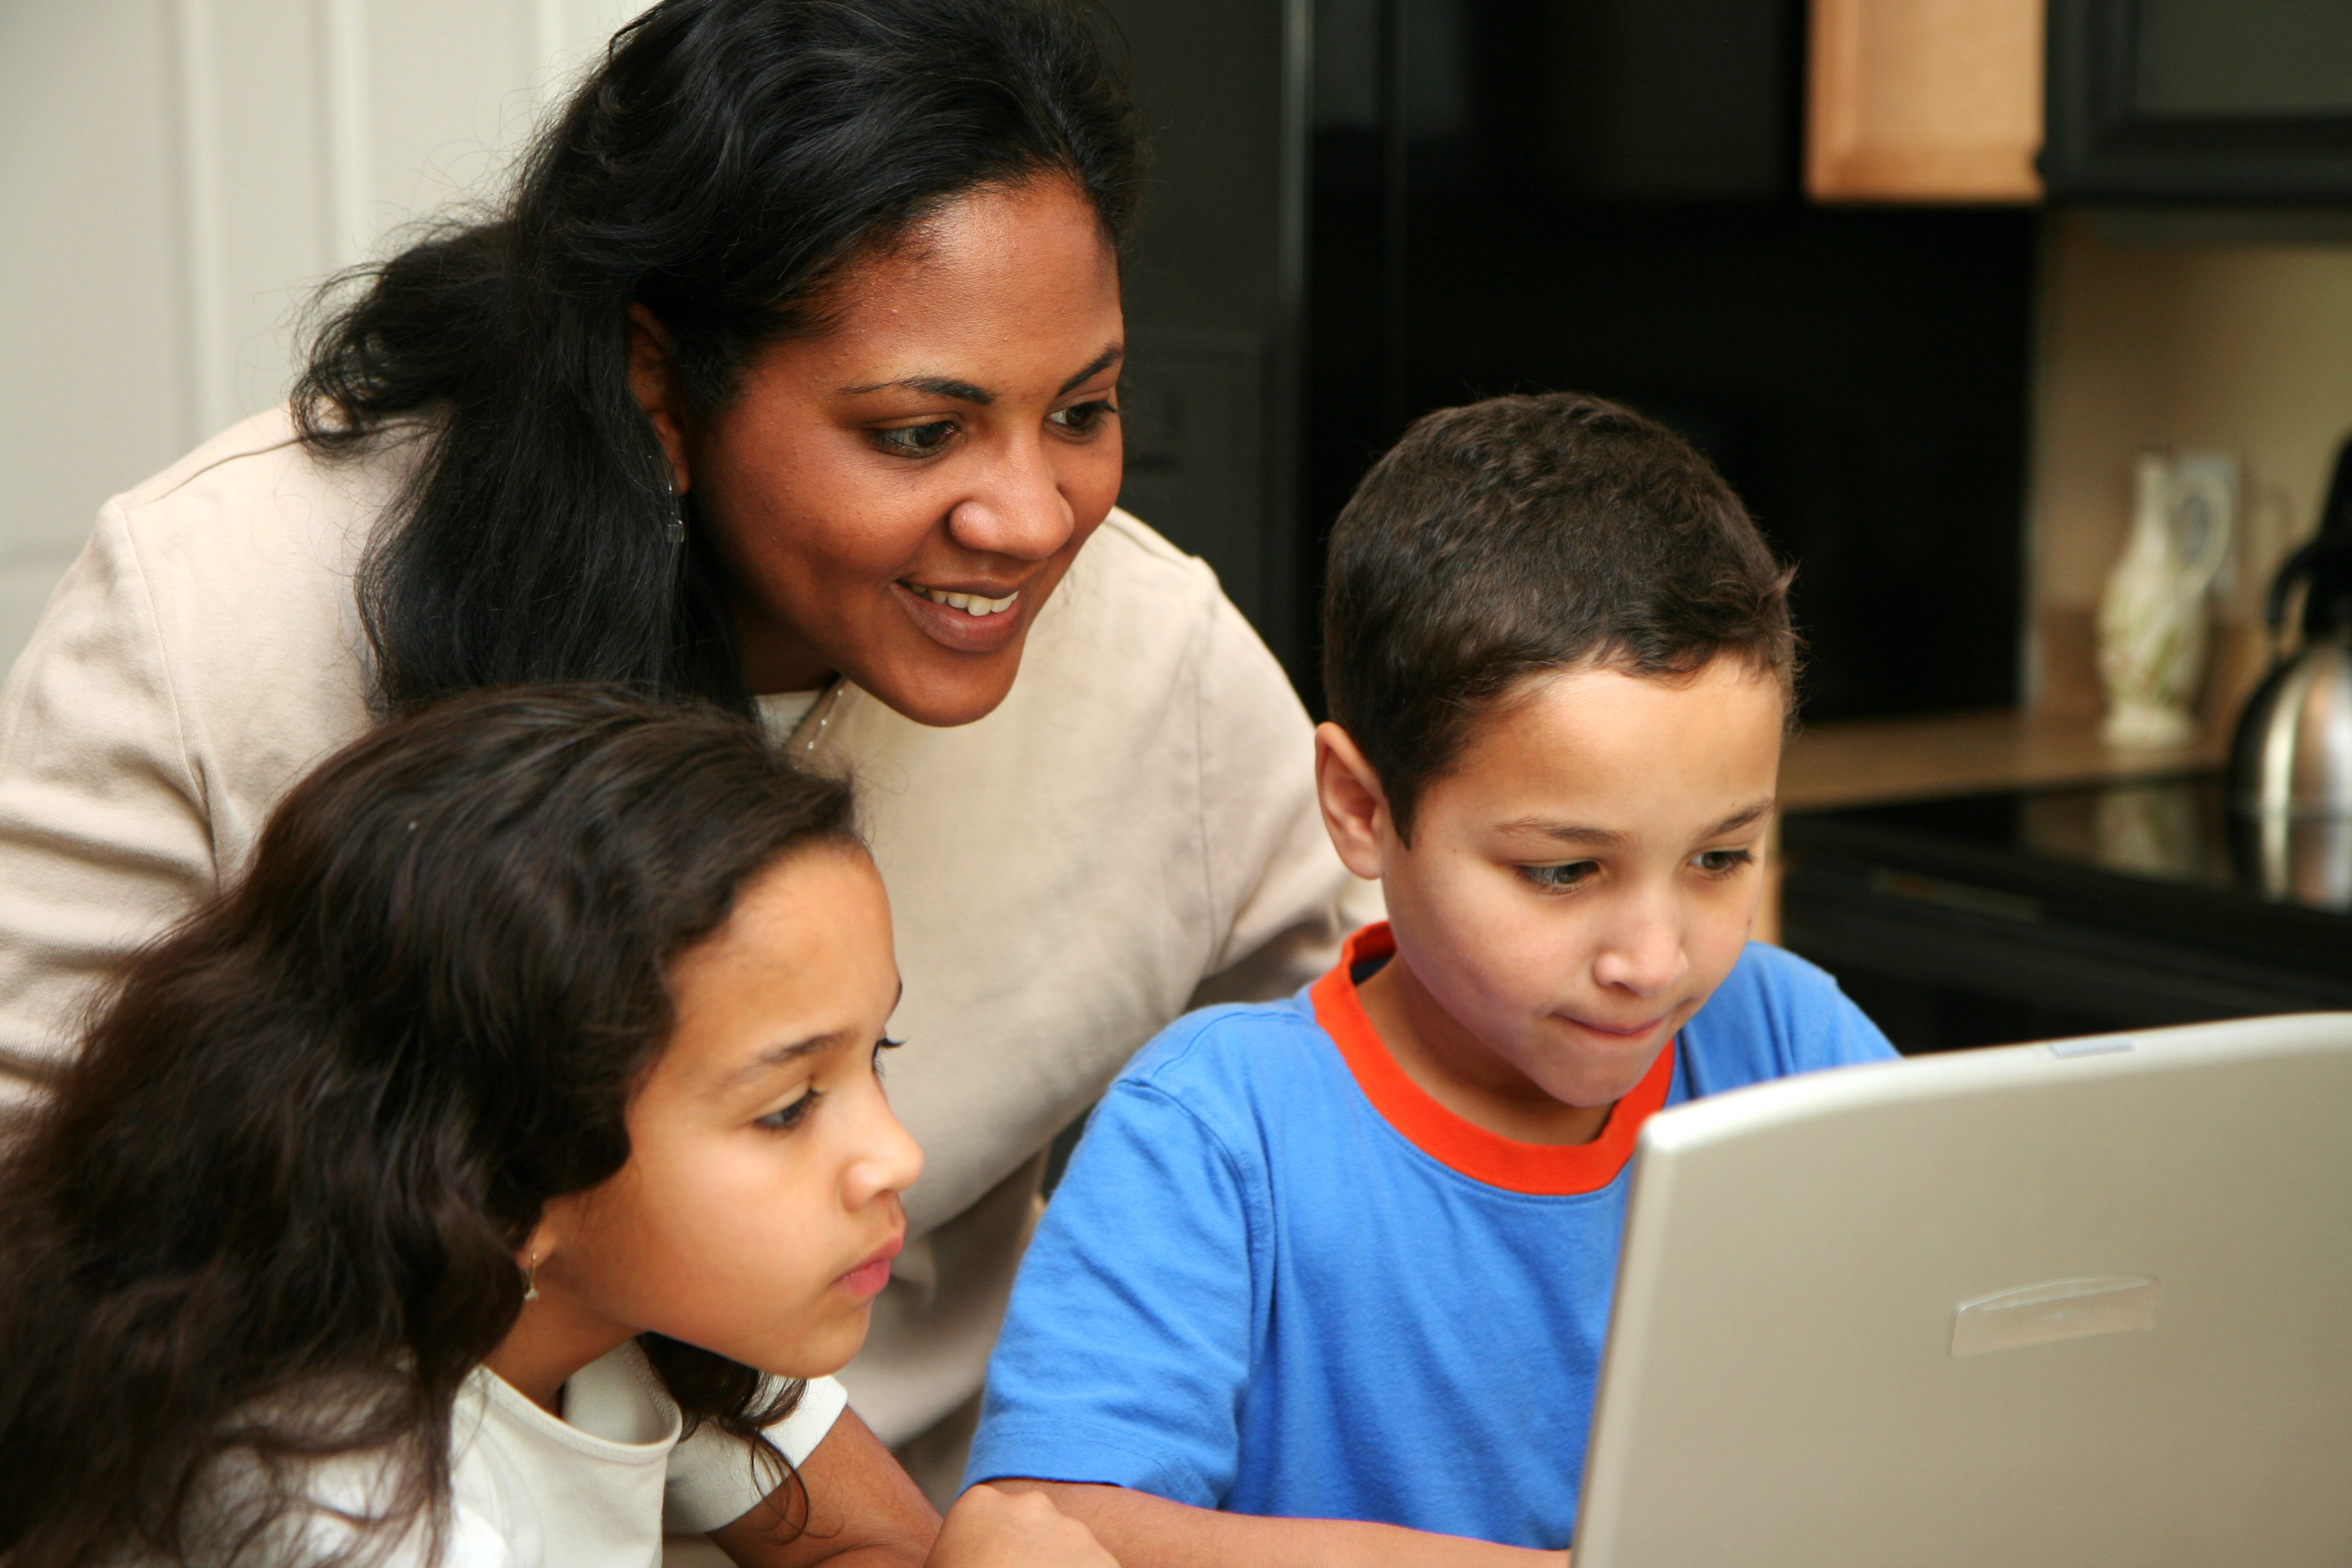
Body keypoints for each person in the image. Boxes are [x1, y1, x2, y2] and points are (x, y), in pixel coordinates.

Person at [0, 0, 1374, 1488]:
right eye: (919, 432)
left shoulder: (1152, 657)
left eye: (1086, 409)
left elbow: (1404, 1100)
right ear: (659, 386)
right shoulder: (220, 612)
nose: (1032, 518)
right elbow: (47, 1257)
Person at [963, 393, 1901, 1561]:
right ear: (1360, 809)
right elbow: (1051, 1527)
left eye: (1721, 858)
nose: (1653, 961)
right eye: (1563, 872)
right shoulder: (1217, 1131)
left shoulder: (1790, 1043)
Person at [0, 687, 1118, 1568]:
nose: (897, 1155)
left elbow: (868, 1543)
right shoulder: (334, 1501)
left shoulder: (631, 1308)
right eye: (786, 1109)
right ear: (498, 1178)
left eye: (876, 1058)